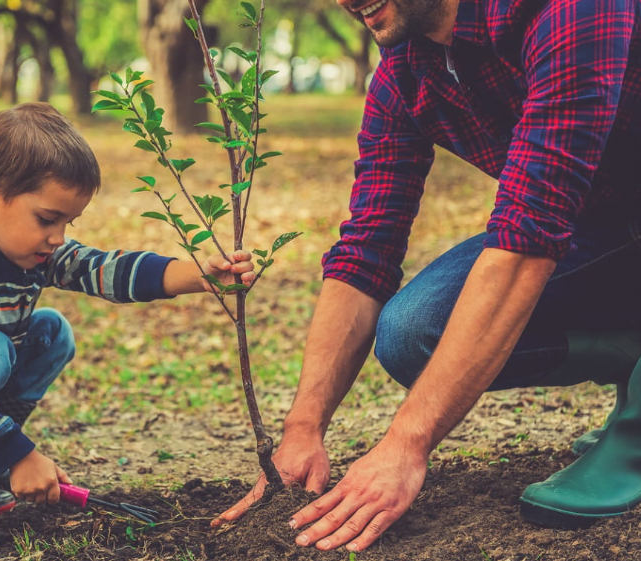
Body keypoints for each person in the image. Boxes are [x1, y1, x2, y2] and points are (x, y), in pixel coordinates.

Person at [214, 0, 641, 552]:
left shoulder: (572, 9)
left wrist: (404, 446)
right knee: (414, 330)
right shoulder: (408, 72)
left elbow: (528, 239)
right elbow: (366, 250)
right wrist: (304, 428)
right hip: (605, 226)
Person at [0, 102, 255, 519]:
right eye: (48, 219)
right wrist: (20, 457)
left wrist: (197, 275)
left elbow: (101, 268)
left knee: (51, 331)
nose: (58, 237)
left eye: (67, 223)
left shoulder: (29, 249)